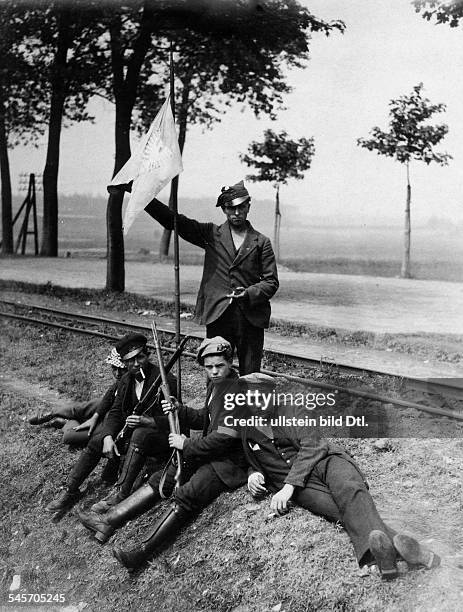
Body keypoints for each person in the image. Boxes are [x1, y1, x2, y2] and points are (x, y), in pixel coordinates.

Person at [239, 373, 440, 580]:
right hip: (304, 487)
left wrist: (288, 486)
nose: (255, 404)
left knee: (351, 491)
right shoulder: (246, 429)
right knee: (342, 510)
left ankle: (377, 558)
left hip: (326, 462)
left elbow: (313, 446)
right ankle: (414, 553)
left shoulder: (292, 410)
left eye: (260, 397)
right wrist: (253, 474)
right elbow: (249, 460)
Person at [77, 336, 248, 572]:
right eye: (209, 367)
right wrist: (180, 409)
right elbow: (204, 418)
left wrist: (186, 444)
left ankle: (140, 554)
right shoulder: (216, 385)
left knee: (187, 494)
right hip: (210, 451)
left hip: (228, 463)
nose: (215, 371)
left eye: (220, 365)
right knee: (164, 477)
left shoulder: (235, 392)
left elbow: (224, 438)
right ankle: (107, 521)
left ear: (231, 362)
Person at [143, 180, 279, 374]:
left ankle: (248, 405)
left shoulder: (261, 242)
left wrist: (249, 293)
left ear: (249, 206)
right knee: (216, 372)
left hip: (250, 319)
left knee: (251, 375)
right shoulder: (211, 235)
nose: (237, 213)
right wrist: (142, 195)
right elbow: (172, 220)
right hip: (218, 316)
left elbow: (271, 282)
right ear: (224, 209)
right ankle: (214, 405)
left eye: (241, 207)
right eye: (231, 208)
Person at [45, 333, 177, 515]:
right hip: (134, 434)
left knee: (140, 434)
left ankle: (121, 493)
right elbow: (115, 412)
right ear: (124, 362)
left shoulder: (165, 379)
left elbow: (176, 417)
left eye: (140, 357)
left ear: (147, 355)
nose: (136, 364)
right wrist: (107, 436)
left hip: (160, 437)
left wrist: (148, 421)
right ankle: (70, 490)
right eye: (130, 361)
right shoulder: (126, 380)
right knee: (97, 440)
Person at [29, 347, 126, 448]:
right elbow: (108, 396)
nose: (118, 373)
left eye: (122, 369)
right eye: (114, 368)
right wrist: (95, 416)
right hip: (108, 409)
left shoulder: (135, 382)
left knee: (70, 436)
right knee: (84, 407)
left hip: (113, 420)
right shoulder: (120, 382)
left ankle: (66, 422)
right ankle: (51, 413)